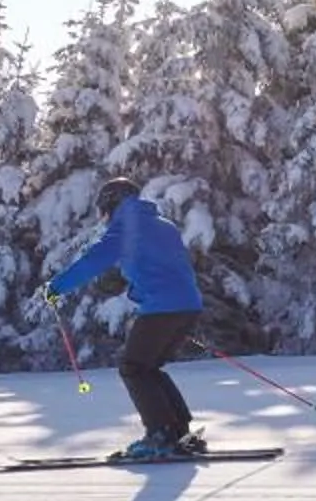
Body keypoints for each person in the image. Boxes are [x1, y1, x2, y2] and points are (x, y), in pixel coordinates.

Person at [42, 176, 208, 461]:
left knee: (133, 367)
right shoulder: (162, 225)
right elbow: (169, 265)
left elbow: (93, 260)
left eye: (103, 210)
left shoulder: (126, 227)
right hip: (186, 304)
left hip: (162, 307)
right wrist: (177, 312)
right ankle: (178, 431)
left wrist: (56, 287)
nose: (103, 217)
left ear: (111, 203)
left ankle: (160, 435)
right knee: (149, 367)